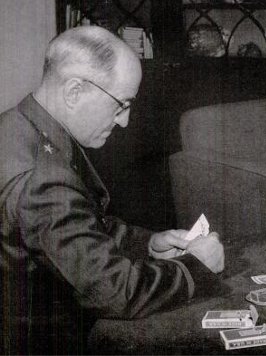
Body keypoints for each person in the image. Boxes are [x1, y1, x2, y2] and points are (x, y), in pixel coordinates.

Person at [0, 26, 224, 354]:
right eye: (121, 104)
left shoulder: (17, 125)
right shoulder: (42, 180)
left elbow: (74, 228)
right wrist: (195, 267)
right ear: (74, 91)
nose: (124, 121)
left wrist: (147, 244)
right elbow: (112, 292)